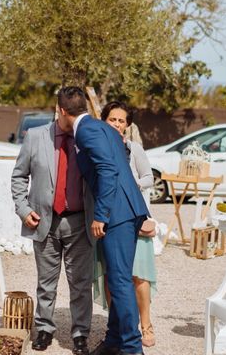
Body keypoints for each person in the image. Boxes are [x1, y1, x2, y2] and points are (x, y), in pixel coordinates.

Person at [57, 87, 150, 355]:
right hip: (128, 209)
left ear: (62, 111)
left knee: (119, 281)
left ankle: (132, 348)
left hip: (118, 213)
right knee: (115, 277)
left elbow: (108, 170)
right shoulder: (103, 128)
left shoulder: (86, 131)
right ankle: (114, 340)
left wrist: (101, 215)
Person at [11, 108, 94, 355]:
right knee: (46, 283)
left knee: (80, 284)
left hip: (80, 222)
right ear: (60, 110)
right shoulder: (35, 136)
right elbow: (18, 176)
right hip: (43, 221)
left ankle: (80, 334)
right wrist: (24, 209)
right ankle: (45, 328)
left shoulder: (86, 139)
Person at [97, 102, 157, 348]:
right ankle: (117, 333)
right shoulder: (101, 148)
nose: (117, 124)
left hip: (134, 217)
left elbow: (149, 177)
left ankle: (145, 327)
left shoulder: (135, 149)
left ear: (127, 125)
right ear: (104, 121)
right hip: (109, 220)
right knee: (114, 277)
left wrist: (129, 185)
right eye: (113, 119)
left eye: (121, 121)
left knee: (138, 276)